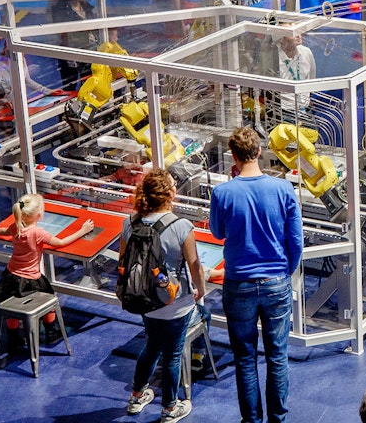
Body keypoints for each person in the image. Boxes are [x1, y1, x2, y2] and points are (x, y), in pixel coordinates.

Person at [208, 126, 303, 423]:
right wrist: (285, 271)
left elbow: (217, 232)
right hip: (276, 282)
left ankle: (251, 420)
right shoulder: (283, 190)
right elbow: (296, 241)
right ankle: (278, 419)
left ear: (233, 156)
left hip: (238, 284)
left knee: (245, 359)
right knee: (277, 357)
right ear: (260, 151)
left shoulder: (222, 193)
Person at [123, 169, 207, 422]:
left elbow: (123, 263)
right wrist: (200, 291)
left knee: (151, 346)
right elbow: (194, 266)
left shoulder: (129, 223)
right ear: (171, 194)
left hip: (144, 301)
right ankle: (170, 408)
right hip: (176, 304)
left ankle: (137, 396)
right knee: (173, 355)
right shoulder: (181, 226)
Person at [0, 194, 94, 347]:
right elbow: (60, 242)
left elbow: (3, 231)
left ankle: (14, 339)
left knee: (11, 307)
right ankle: (51, 333)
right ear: (38, 215)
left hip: (10, 276)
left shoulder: (16, 226)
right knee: (50, 299)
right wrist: (83, 230)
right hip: (30, 279)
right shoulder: (38, 233)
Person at [275, 34, 315, 113]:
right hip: (284, 111)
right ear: (281, 39)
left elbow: (311, 80)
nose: (298, 36)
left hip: (306, 109)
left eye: (299, 32)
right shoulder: (274, 59)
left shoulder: (306, 52)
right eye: (292, 33)